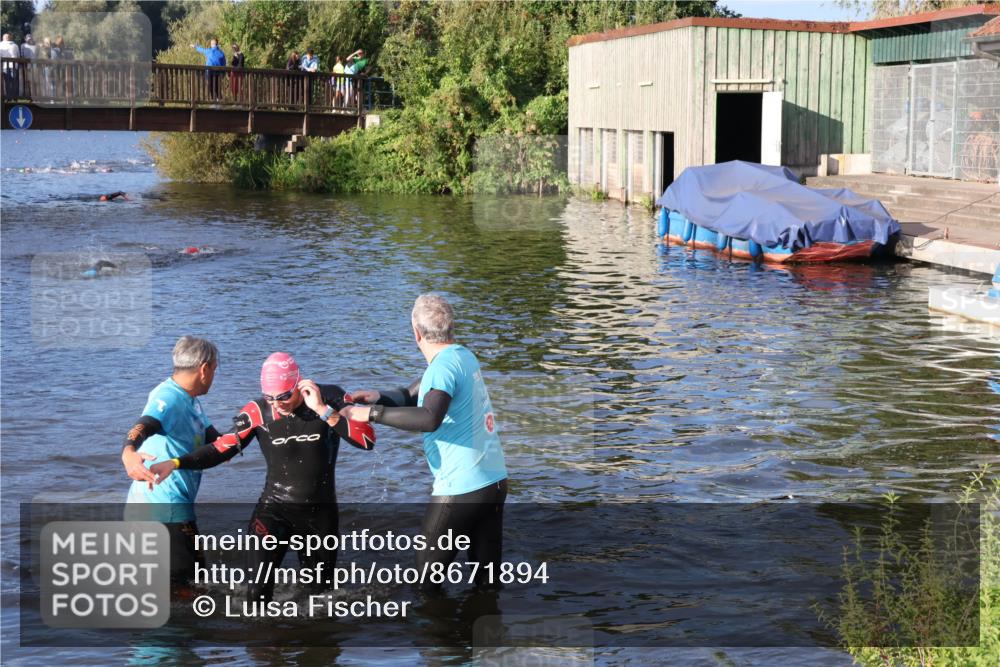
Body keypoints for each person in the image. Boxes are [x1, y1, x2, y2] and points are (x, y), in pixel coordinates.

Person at [149, 352, 376, 602]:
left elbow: (366, 441)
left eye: (284, 396)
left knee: (321, 599)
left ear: (299, 383)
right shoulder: (257, 411)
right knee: (256, 596)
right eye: (270, 398)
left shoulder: (330, 397)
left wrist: (323, 411)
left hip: (318, 515)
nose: (277, 403)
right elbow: (221, 449)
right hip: (274, 509)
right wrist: (176, 462)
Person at [342, 294, 508, 593]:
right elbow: (414, 393)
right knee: (487, 583)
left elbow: (430, 416)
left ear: (416, 333)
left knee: (425, 584)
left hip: (461, 490)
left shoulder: (442, 368)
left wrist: (370, 413)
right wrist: (378, 395)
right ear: (450, 328)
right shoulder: (461, 356)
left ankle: (439, 636)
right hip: (493, 482)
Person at [122, 336, 220, 585]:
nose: (214, 376)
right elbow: (145, 424)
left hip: (159, 507)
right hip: (164, 508)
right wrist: (129, 451)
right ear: (204, 368)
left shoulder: (190, 400)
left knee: (171, 585)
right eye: (215, 369)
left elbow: (218, 443)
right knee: (190, 587)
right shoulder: (168, 396)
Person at [0, 33, 20, 99]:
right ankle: (15, 97)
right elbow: (18, 56)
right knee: (14, 81)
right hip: (14, 65)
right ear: (10, 38)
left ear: (3, 38)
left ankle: (9, 97)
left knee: (8, 82)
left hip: (5, 66)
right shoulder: (15, 45)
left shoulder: (0, 45)